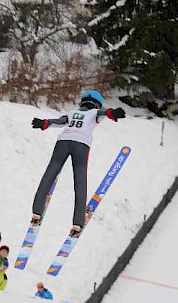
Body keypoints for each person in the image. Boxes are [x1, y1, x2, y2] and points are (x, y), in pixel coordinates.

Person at [31, 90, 126, 236]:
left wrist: (43, 123)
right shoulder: (95, 112)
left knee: (50, 172)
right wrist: (113, 113)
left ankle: (37, 211)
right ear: (97, 103)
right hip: (81, 145)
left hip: (63, 142)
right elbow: (104, 113)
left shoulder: (72, 113)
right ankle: (77, 221)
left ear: (82, 102)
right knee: (80, 180)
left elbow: (58, 122)